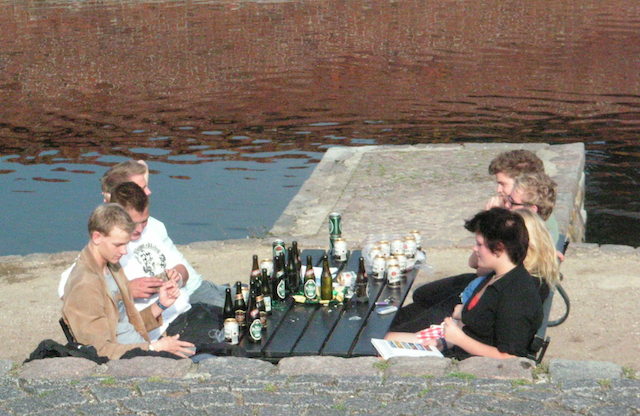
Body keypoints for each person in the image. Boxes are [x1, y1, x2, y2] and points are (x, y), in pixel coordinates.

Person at [59, 160, 226, 310]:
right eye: (140, 188)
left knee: (247, 297)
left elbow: (182, 269)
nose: (148, 192)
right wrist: (125, 291)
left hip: (194, 290)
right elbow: (69, 288)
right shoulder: (112, 243)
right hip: (180, 309)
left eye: (143, 221)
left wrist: (176, 277)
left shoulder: (153, 226)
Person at [386, 208, 544, 360]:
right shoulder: (494, 277)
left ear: (499, 248)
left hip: (469, 364)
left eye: (480, 244)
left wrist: (459, 339)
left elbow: (509, 357)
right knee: (387, 339)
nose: (474, 249)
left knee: (381, 352)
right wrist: (443, 342)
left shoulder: (517, 294)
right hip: (451, 347)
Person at [61, 203, 195, 360]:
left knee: (212, 345)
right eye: (118, 244)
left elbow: (125, 325)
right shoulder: (85, 285)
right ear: (97, 237)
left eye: (126, 244)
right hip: (128, 361)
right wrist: (154, 348)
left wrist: (160, 305)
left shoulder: (111, 267)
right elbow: (98, 350)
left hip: (141, 348)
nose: (124, 251)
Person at [504, 172, 559, 245]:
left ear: (531, 210)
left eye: (512, 202)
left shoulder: (519, 246)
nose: (507, 205)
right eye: (508, 198)